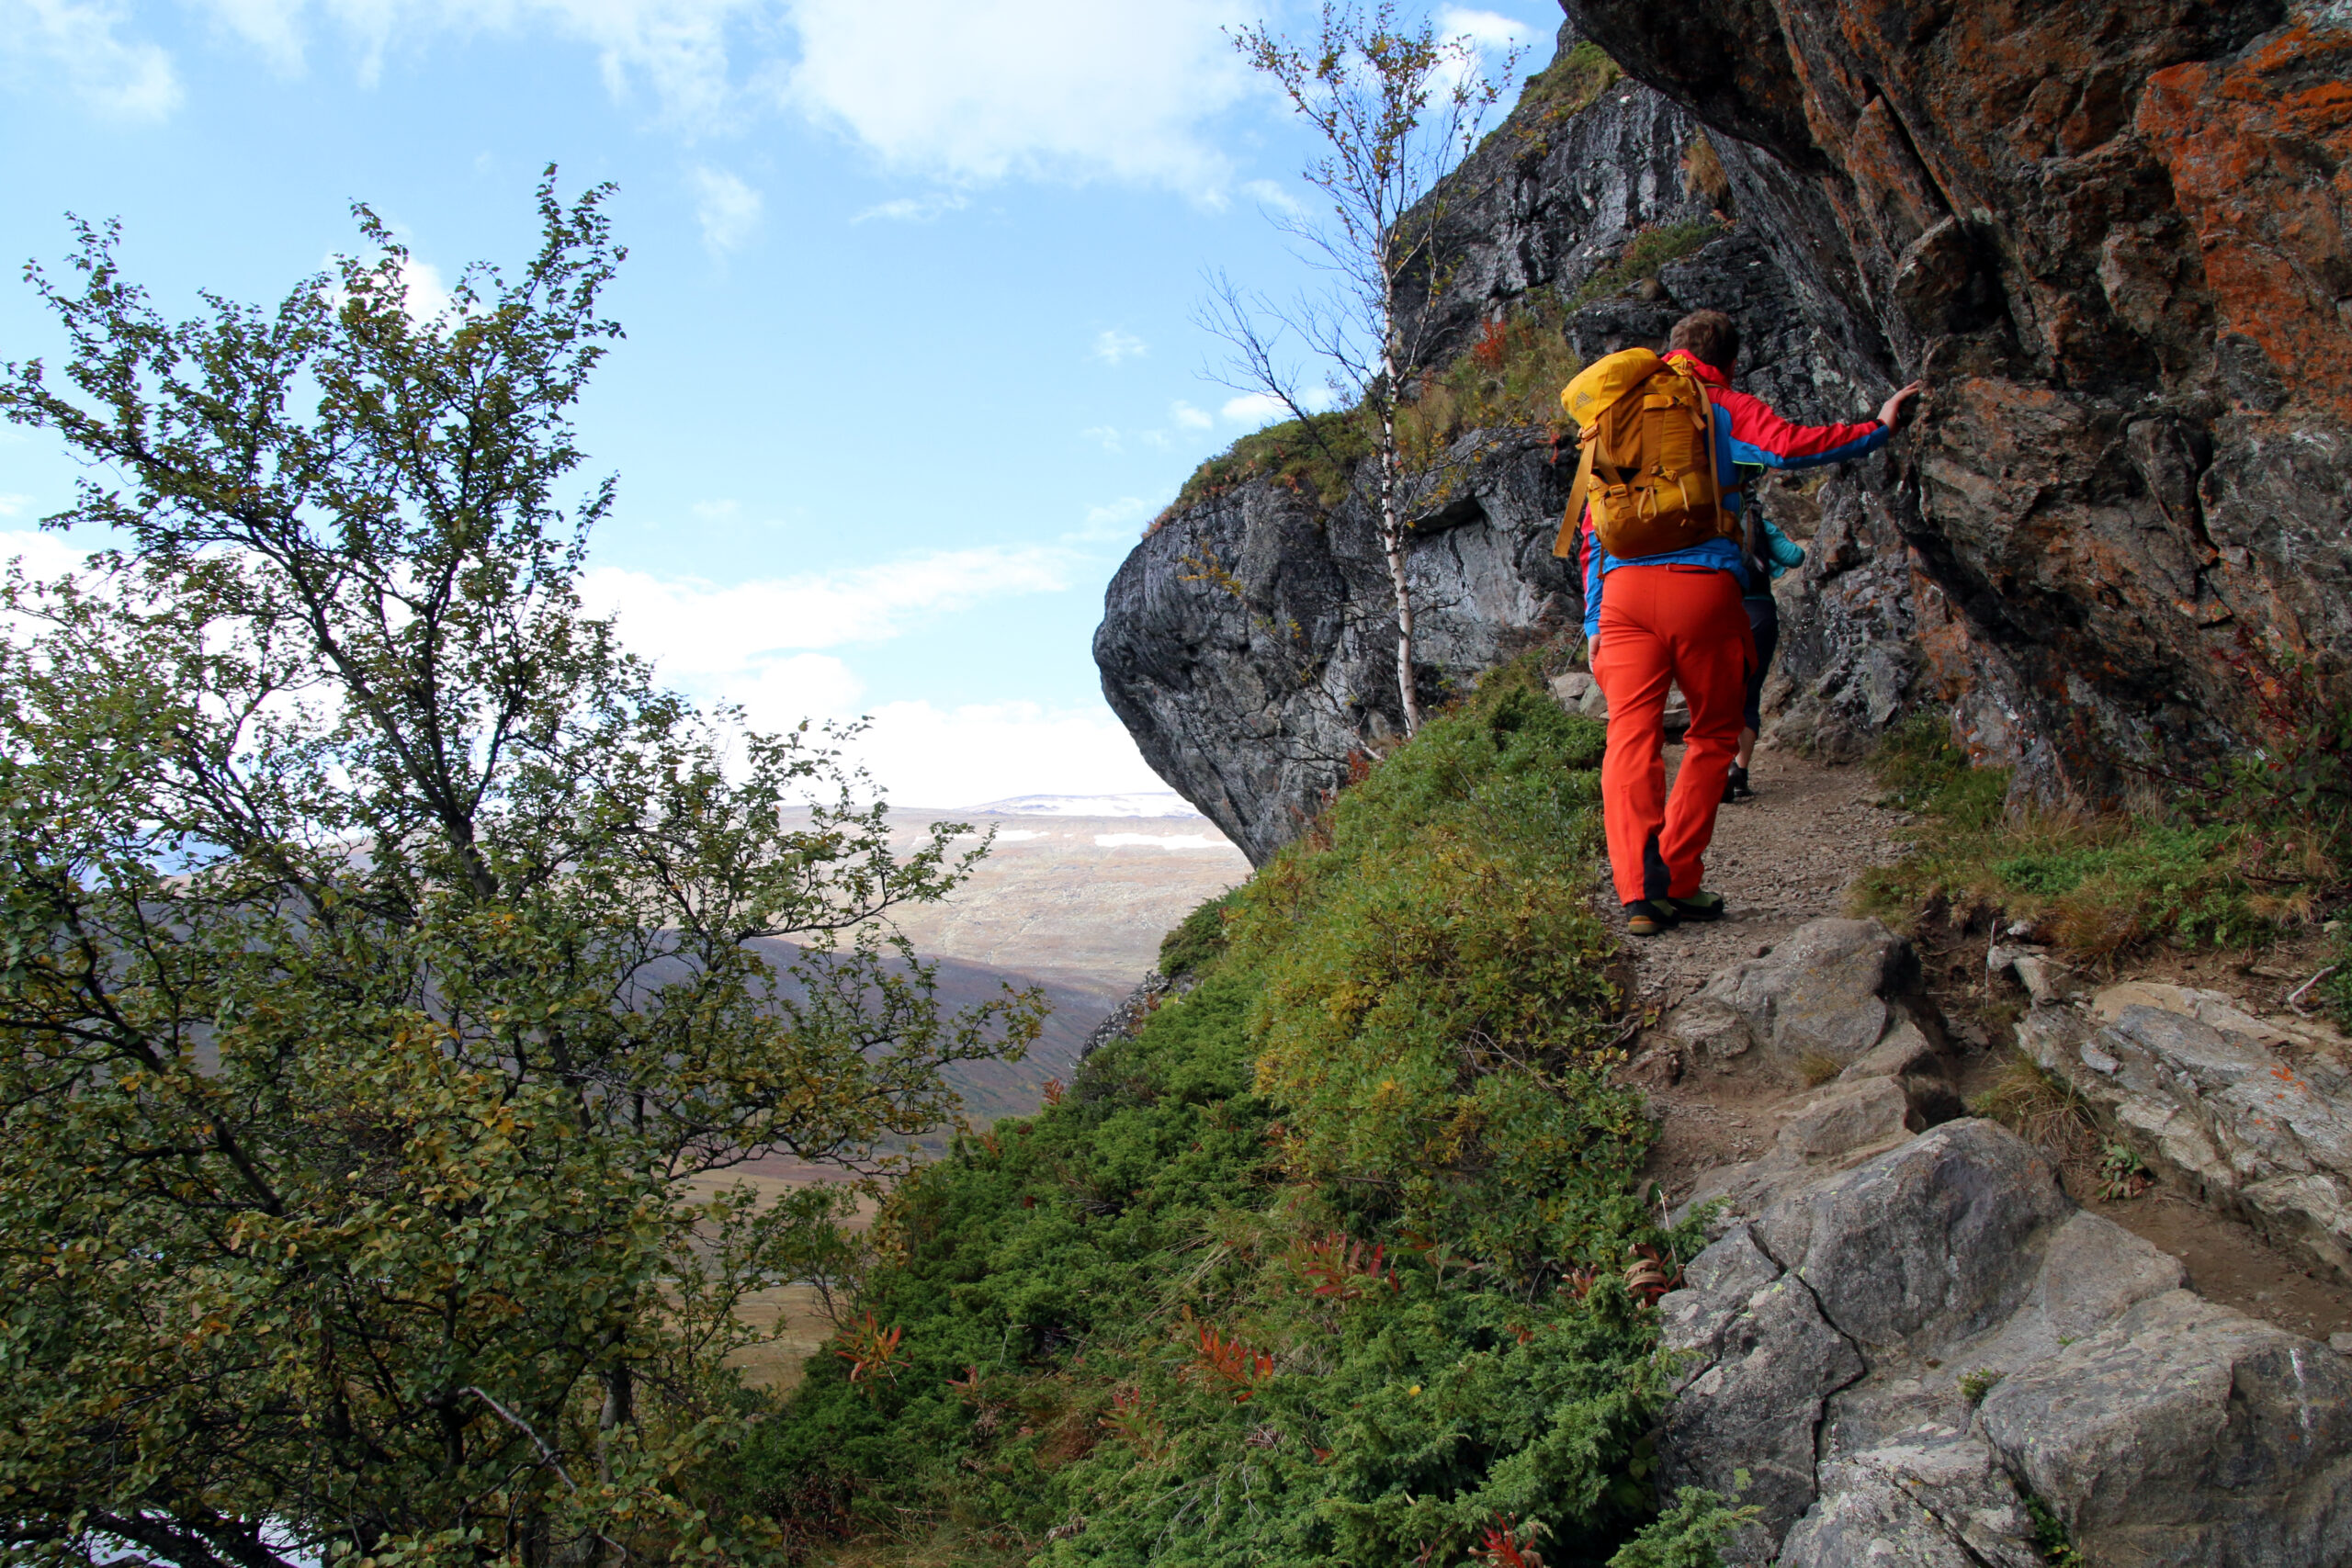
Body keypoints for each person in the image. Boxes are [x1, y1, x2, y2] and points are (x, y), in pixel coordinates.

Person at [1579, 309, 1919, 936]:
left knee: (1630, 739)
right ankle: (1678, 880)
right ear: (1729, 361)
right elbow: (1788, 447)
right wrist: (1876, 427)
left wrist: (1594, 618)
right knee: (1714, 733)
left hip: (1622, 595)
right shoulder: (1721, 404)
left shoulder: (1619, 414)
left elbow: (1591, 526)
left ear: (1669, 351)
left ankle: (1636, 895)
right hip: (1702, 592)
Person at [1724, 508, 1806, 803]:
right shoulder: (1759, 524)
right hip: (1759, 612)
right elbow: (1795, 556)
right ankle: (1740, 772)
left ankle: (1718, 768)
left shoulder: (1703, 515)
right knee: (1750, 693)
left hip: (1718, 610)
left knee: (1718, 694)